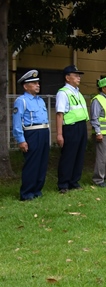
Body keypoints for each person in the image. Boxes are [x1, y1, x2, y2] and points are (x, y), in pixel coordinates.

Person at [12, 70, 49, 200]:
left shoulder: (40, 100)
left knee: (42, 163)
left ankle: (37, 190)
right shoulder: (21, 101)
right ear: (25, 86)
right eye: (33, 83)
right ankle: (27, 193)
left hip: (44, 132)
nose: (37, 85)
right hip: (32, 133)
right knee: (32, 163)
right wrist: (21, 140)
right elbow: (17, 122)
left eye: (38, 82)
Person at [56, 65, 89, 193]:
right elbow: (59, 114)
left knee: (79, 155)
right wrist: (59, 134)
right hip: (70, 127)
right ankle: (63, 184)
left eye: (79, 75)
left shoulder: (77, 92)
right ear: (67, 77)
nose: (78, 78)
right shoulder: (63, 93)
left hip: (81, 126)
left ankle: (74, 181)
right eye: (75, 75)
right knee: (68, 155)